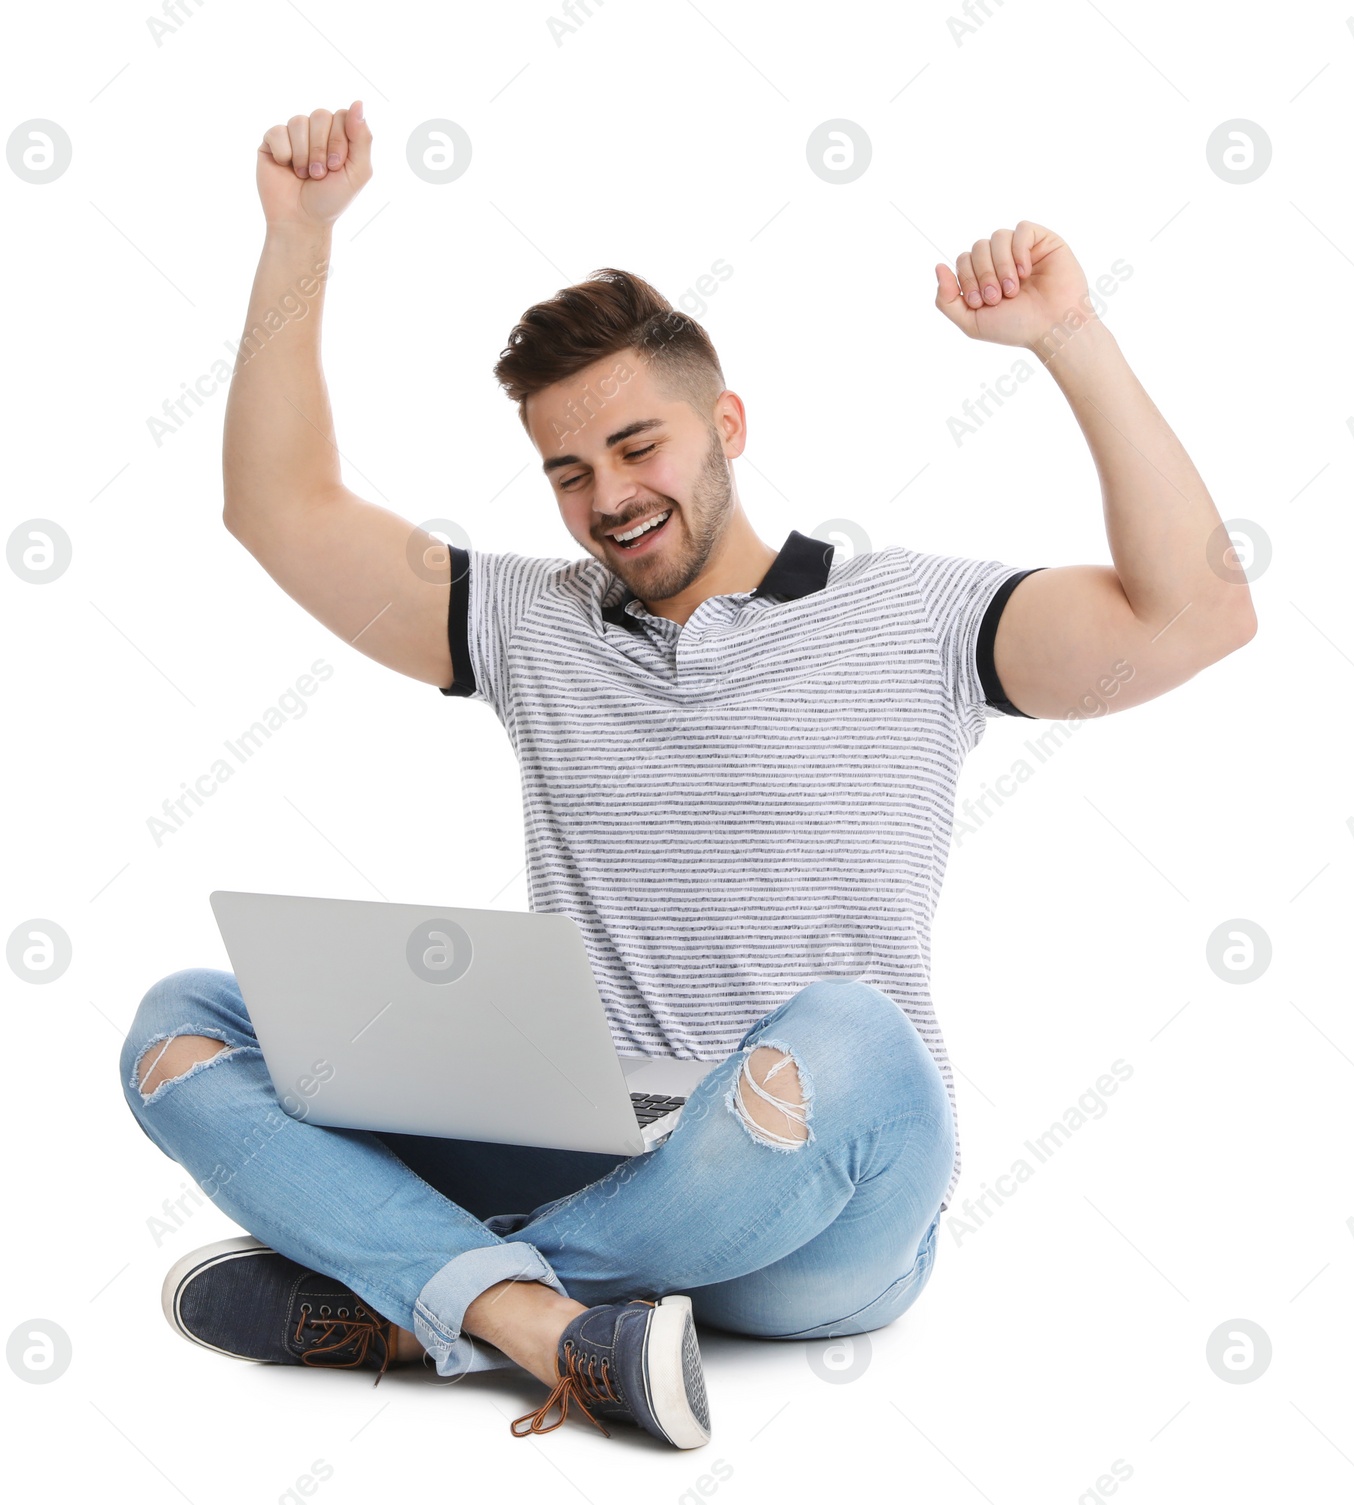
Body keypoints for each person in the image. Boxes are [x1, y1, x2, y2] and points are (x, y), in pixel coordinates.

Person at [119, 98, 1256, 1450]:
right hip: (591, 1142)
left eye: (638, 446)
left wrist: (1071, 337)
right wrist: (297, 234)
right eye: (566, 471)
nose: (608, 496)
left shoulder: (921, 618)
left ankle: (428, 1295)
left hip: (826, 1203)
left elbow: (1196, 616)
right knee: (181, 1021)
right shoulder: (528, 624)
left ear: (725, 420)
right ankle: (546, 1329)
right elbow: (278, 508)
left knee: (855, 1031)